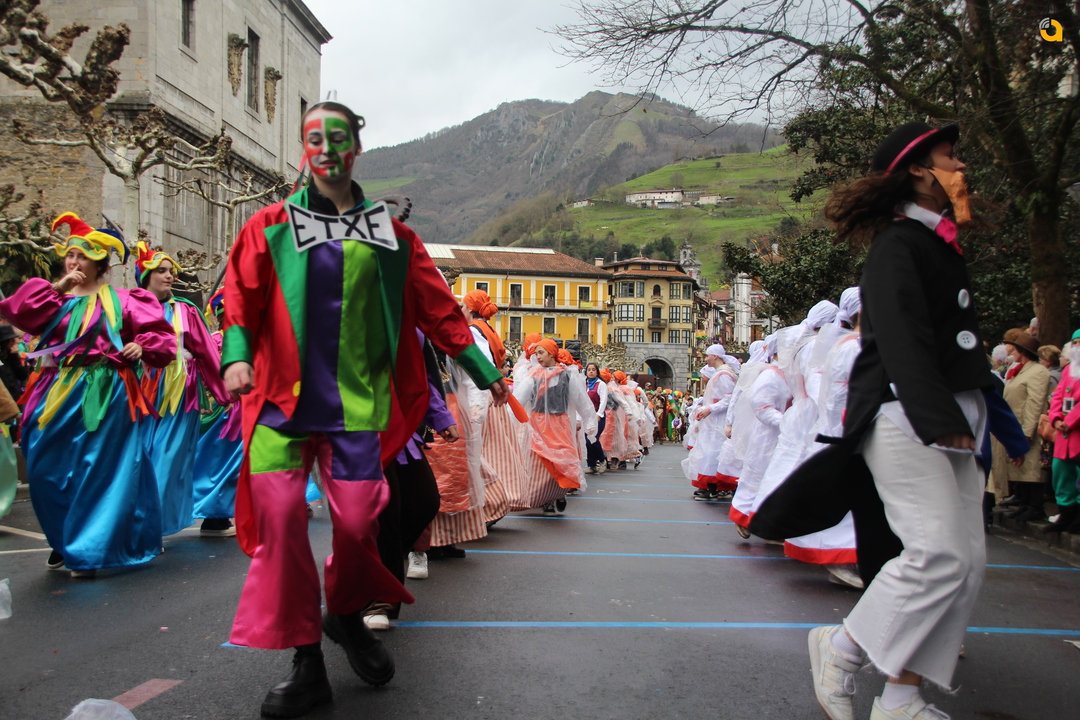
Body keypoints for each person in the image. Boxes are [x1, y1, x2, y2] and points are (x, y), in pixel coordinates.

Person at [221, 101, 507, 718]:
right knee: (280, 525)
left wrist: (486, 371)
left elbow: (437, 308)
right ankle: (305, 662)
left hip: (356, 409)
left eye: (338, 137)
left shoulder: (392, 236)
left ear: (355, 147)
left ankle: (346, 613)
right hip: (278, 407)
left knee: (358, 525)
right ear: (304, 148)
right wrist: (236, 355)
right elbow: (238, 297)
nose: (326, 148)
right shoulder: (269, 226)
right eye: (314, 138)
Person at [752, 122, 996, 720]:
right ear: (918, 168)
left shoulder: (935, 241)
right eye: (949, 156)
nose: (961, 167)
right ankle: (841, 648)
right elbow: (899, 335)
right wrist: (936, 412)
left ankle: (902, 696)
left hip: (946, 407)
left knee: (965, 565)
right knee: (937, 554)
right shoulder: (898, 244)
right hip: (905, 411)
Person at [0, 213, 175, 577]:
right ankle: (65, 538)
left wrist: (141, 346)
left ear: (100, 264)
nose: (74, 262)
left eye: (82, 256)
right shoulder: (54, 299)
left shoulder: (127, 300)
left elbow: (162, 338)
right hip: (55, 392)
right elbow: (18, 312)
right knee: (45, 468)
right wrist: (60, 286)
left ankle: (87, 548)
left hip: (107, 390)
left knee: (97, 469)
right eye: (70, 255)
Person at [136, 242, 232, 537]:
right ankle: (136, 521)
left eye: (170, 271)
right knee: (139, 456)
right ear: (145, 276)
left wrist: (223, 393)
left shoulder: (185, 311)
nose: (169, 276)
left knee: (167, 458)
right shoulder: (128, 306)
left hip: (180, 391)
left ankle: (151, 526)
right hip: (138, 390)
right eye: (161, 271)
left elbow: (206, 353)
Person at [782, 288, 863, 589]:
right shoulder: (848, 347)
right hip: (842, 427)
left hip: (832, 425)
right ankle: (841, 557)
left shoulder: (833, 345)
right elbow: (831, 391)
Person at [513, 338, 596, 514]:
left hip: (559, 425)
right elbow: (518, 400)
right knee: (541, 463)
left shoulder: (567, 375)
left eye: (541, 352)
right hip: (538, 425)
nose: (538, 357)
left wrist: (589, 421)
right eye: (536, 353)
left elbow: (581, 401)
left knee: (561, 461)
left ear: (551, 354)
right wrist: (508, 420)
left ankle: (559, 493)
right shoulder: (533, 376)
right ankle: (548, 499)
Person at [191, 289, 243, 536]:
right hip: (223, 412)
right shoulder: (216, 341)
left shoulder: (239, 339)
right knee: (219, 463)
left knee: (227, 463)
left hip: (237, 409)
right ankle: (214, 515)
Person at [989, 329, 1050, 522]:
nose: (1011, 352)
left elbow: (1035, 403)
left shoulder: (1038, 372)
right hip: (1017, 425)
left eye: (1014, 349)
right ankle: (1024, 504)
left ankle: (1035, 506)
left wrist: (1027, 432)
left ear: (1022, 351)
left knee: (1031, 469)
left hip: (1027, 426)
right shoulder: (1020, 370)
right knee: (1020, 469)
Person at [682, 345, 738, 500]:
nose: (706, 359)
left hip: (718, 421)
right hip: (714, 420)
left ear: (715, 356)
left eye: (707, 356)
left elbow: (729, 398)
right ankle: (711, 486)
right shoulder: (721, 374)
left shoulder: (724, 375)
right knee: (708, 452)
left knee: (713, 453)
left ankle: (714, 487)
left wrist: (710, 409)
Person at [1044, 330, 1080, 533]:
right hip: (1064, 433)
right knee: (1061, 473)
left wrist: (1070, 420)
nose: (1077, 347)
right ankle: (1066, 513)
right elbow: (1057, 395)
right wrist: (1056, 418)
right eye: (1075, 342)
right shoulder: (1068, 370)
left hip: (1076, 431)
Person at [584, 362, 608, 474]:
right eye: (589, 370)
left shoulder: (601, 384)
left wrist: (599, 414)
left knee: (593, 439)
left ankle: (602, 460)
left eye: (593, 369)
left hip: (597, 416)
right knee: (586, 441)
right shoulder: (584, 384)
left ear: (597, 372)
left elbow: (603, 400)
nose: (591, 372)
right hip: (586, 417)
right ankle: (592, 465)